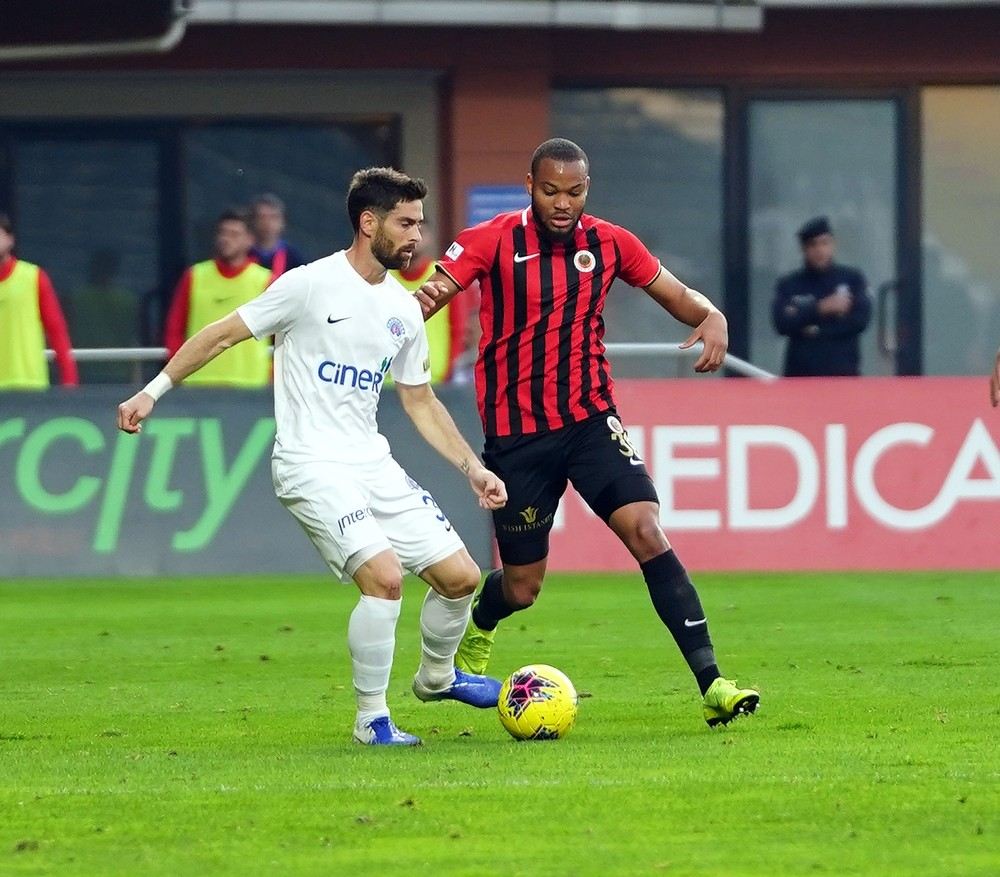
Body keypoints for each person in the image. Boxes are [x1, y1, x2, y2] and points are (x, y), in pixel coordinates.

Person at [117, 167, 508, 746]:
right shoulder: (307, 285)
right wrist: (152, 391)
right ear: (368, 222)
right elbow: (222, 334)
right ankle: (371, 720)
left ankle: (437, 677)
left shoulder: (404, 311)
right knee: (384, 579)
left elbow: (420, 401)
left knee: (460, 578)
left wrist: (472, 467)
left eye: (420, 225)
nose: (416, 237)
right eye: (405, 224)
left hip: (370, 461)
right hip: (309, 463)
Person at [417, 138, 759, 727]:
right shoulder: (492, 239)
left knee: (647, 531)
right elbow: (431, 293)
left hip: (589, 422)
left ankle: (713, 683)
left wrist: (712, 314)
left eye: (574, 193)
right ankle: (482, 620)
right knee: (522, 587)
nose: (562, 203)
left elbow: (677, 296)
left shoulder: (609, 242)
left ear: (586, 190)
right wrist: (388, 320)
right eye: (550, 191)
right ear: (530, 185)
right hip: (517, 436)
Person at [164, 209, 273, 387]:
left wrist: (273, 373)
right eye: (222, 232)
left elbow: (282, 335)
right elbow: (174, 329)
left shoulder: (265, 280)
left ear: (250, 240)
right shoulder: (195, 276)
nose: (225, 239)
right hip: (198, 385)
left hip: (250, 386)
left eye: (234, 234)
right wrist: (176, 372)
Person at [771, 216, 872, 377]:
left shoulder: (852, 279)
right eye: (813, 245)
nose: (819, 250)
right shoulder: (790, 284)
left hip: (843, 376)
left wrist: (811, 327)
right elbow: (782, 323)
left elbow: (860, 320)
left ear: (833, 245)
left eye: (824, 243)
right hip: (800, 378)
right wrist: (821, 308)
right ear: (803, 249)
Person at [0, 212, 78, 390]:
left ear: (10, 239)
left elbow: (56, 330)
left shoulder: (33, 277)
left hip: (30, 386)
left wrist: (69, 380)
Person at [389, 220, 470, 383]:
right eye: (406, 230)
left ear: (430, 237)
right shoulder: (384, 278)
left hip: (434, 380)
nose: (414, 239)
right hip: (389, 384)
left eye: (421, 231)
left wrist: (448, 371)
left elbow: (458, 330)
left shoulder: (445, 276)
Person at [250, 193, 307, 277]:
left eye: (273, 217)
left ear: (283, 222)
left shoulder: (292, 257)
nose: (267, 223)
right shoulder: (242, 253)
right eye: (262, 217)